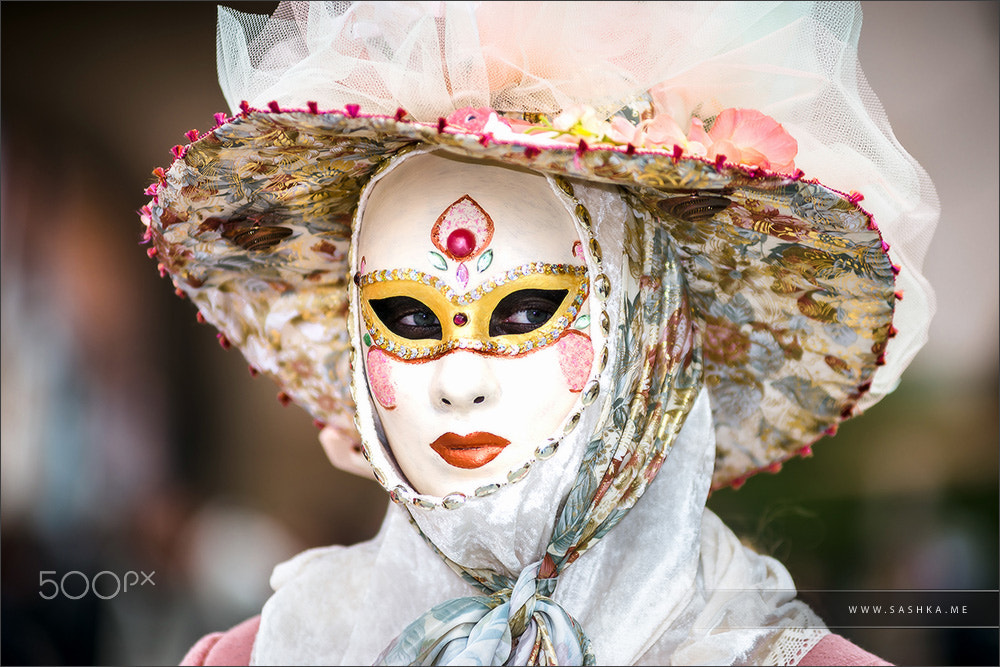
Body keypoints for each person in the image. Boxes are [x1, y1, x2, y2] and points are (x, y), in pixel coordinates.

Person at [141, 2, 938, 664]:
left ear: (641, 336)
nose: (459, 380)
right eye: (407, 318)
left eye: (523, 312)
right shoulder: (272, 652)